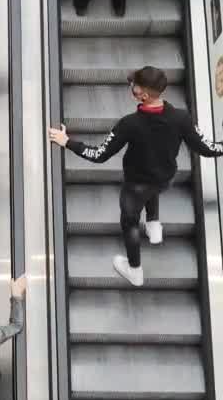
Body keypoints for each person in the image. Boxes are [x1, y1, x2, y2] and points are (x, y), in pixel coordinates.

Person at [48, 65, 223, 287]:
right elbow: (207, 149)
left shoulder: (129, 124)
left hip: (135, 186)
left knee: (129, 224)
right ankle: (153, 227)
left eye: (134, 87)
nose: (131, 87)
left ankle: (135, 271)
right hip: (165, 178)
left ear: (144, 95)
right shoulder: (182, 118)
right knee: (154, 190)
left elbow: (100, 155)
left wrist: (67, 142)